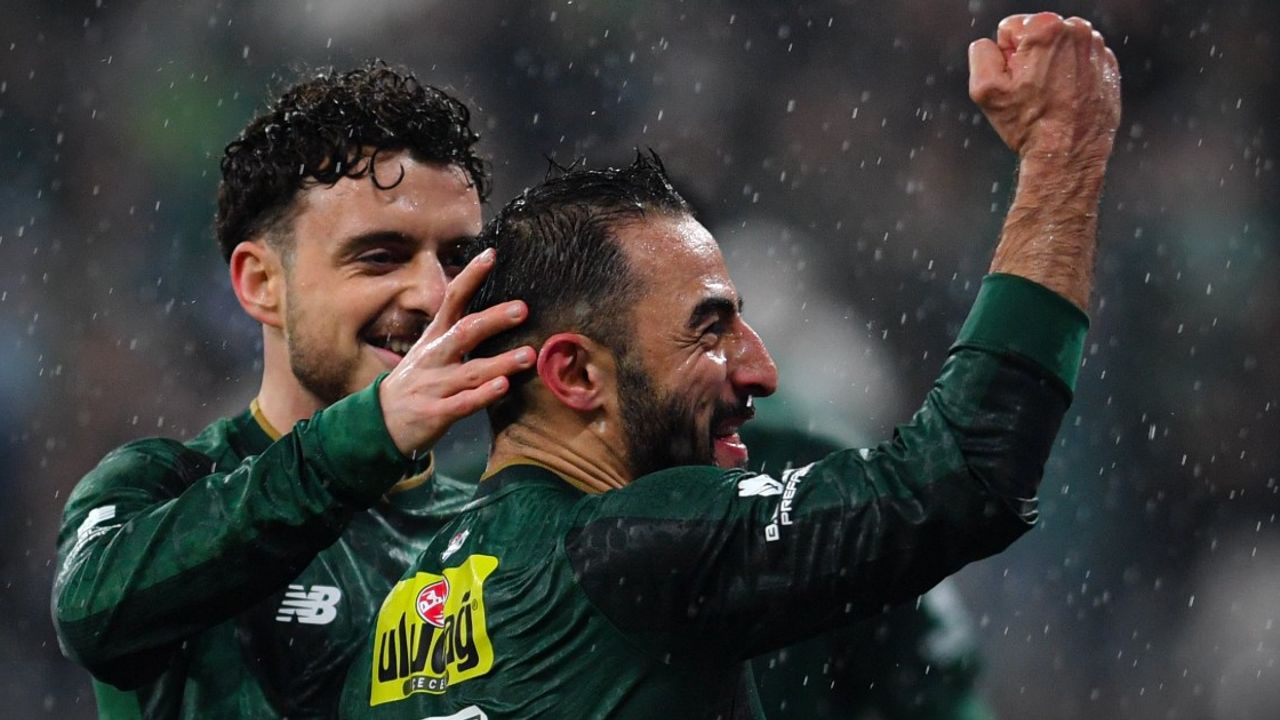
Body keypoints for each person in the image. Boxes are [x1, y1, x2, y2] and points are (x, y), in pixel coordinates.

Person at [338, 12, 1119, 719]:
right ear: (574, 375)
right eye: (709, 331)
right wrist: (1062, 152)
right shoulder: (635, 547)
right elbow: (961, 477)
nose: (762, 371)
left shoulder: (392, 623)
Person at [52, 63, 536, 718]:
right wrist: (370, 435)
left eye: (456, 258)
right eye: (380, 256)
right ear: (261, 284)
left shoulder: (493, 521)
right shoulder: (161, 487)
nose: (432, 294)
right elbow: (90, 615)